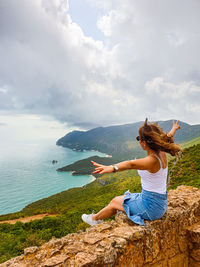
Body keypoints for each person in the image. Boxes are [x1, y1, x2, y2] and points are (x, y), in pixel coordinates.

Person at [82, 119, 181, 226]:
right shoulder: (161, 152)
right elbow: (167, 137)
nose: (138, 141)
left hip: (151, 207)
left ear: (144, 143)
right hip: (159, 203)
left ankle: (94, 219)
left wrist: (112, 167)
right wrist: (173, 129)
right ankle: (95, 218)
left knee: (115, 201)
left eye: (139, 138)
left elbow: (131, 164)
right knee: (122, 199)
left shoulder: (152, 160)